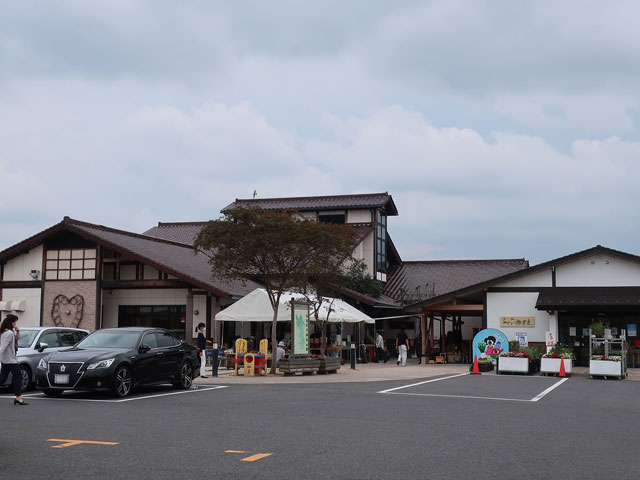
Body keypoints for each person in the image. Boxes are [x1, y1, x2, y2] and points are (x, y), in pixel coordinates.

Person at [0, 314, 27, 405]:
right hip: (10, 360)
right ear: (11, 322)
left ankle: (18, 397)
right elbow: (3, 347)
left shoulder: (5, 332)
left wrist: (18, 332)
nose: (15, 324)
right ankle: (18, 398)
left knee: (3, 378)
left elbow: (14, 341)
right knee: (18, 377)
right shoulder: (9, 333)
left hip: (6, 360)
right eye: (15, 322)